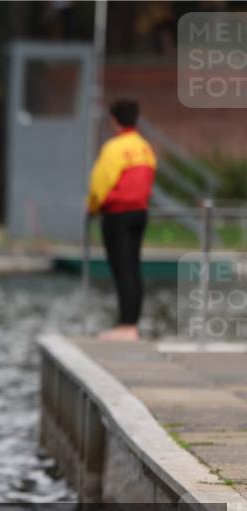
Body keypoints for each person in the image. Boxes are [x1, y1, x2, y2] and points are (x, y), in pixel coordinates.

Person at [86, 99, 157, 341]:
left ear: (114, 120)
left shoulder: (114, 148)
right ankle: (132, 323)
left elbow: (99, 184)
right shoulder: (145, 148)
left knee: (121, 268)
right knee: (134, 267)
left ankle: (126, 326)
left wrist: (92, 208)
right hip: (140, 213)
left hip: (117, 214)